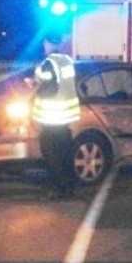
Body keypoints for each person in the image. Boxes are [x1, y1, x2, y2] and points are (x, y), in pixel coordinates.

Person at [31, 52, 81, 197]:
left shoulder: (49, 63)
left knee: (52, 156)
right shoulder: (66, 60)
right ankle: (69, 188)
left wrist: (34, 83)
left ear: (47, 42)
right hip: (64, 120)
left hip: (51, 119)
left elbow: (47, 84)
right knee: (65, 155)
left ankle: (57, 189)